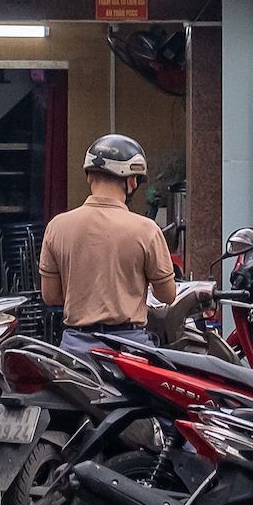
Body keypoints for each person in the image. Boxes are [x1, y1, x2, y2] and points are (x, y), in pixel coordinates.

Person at [39, 134, 177, 355]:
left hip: (75, 349)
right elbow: (167, 296)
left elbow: (51, 296)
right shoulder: (146, 230)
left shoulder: (57, 226)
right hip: (130, 350)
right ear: (132, 181)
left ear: (89, 177)